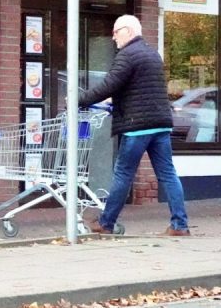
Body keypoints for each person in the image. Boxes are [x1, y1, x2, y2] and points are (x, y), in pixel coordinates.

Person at [78, 14, 190, 236]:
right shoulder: (152, 54)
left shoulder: (127, 54)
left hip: (137, 125)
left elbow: (109, 85)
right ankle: (180, 225)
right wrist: (115, 100)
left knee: (123, 174)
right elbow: (139, 88)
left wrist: (78, 99)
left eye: (116, 31)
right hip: (161, 124)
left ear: (128, 31)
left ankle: (106, 223)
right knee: (167, 173)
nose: (113, 37)